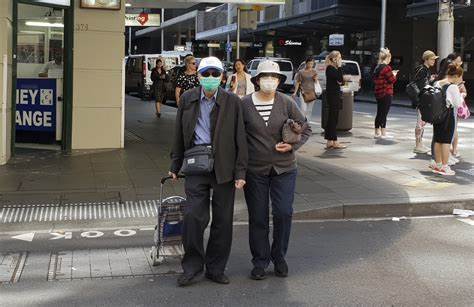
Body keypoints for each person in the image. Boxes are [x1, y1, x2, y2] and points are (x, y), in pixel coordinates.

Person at [169, 56, 248, 287]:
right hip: (196, 165)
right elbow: (177, 133)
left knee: (223, 220)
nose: (211, 78)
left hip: (224, 166)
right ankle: (192, 267)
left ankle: (216, 268)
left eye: (216, 74)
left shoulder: (232, 101)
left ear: (222, 76)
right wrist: (175, 164)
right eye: (206, 74)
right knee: (194, 216)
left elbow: (240, 138)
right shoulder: (187, 98)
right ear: (199, 76)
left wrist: (241, 172)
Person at [241, 60, 311, 280]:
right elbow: (238, 138)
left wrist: (293, 145)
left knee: (283, 213)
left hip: (285, 168)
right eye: (265, 77)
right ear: (257, 80)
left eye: (274, 77)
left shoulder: (286, 102)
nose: (270, 80)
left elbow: (306, 127)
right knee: (258, 217)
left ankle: (279, 257)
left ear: (279, 80)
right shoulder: (244, 105)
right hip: (255, 170)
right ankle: (260, 261)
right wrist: (238, 171)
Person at [431, 64, 464, 176]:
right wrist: (461, 94)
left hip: (437, 115)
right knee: (445, 141)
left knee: (438, 140)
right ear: (456, 76)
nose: (460, 79)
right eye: (460, 76)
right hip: (447, 117)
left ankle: (438, 164)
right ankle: (445, 167)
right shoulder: (453, 87)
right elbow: (457, 104)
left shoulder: (438, 83)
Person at [413, 50, 438, 154]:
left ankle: (420, 144)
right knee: (420, 123)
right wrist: (430, 81)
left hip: (421, 99)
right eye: (432, 59)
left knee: (421, 123)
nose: (434, 61)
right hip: (422, 99)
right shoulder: (423, 70)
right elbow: (423, 86)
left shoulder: (423, 69)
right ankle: (418, 145)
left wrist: (430, 79)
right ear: (426, 59)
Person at [373, 48, 398, 138]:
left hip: (378, 92)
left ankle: (377, 131)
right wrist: (394, 74)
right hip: (386, 92)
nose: (390, 60)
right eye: (390, 58)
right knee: (384, 113)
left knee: (379, 112)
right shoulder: (387, 68)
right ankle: (383, 132)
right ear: (387, 57)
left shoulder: (377, 67)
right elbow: (392, 80)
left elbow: (376, 80)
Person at [324, 51, 347, 149]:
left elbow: (341, 82)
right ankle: (335, 141)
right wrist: (340, 67)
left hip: (334, 95)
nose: (341, 59)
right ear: (334, 59)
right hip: (333, 96)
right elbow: (340, 79)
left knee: (333, 118)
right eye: (339, 57)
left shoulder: (333, 69)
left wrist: (341, 77)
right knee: (333, 118)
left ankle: (330, 141)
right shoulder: (330, 68)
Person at [292, 57, 318, 123]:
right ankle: (302, 122)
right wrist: (295, 92)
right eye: (309, 63)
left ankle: (307, 123)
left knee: (309, 110)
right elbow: (298, 82)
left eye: (312, 64)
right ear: (306, 63)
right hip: (303, 92)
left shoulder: (314, 71)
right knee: (303, 109)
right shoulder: (301, 72)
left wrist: (315, 79)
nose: (310, 65)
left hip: (312, 92)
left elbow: (316, 82)